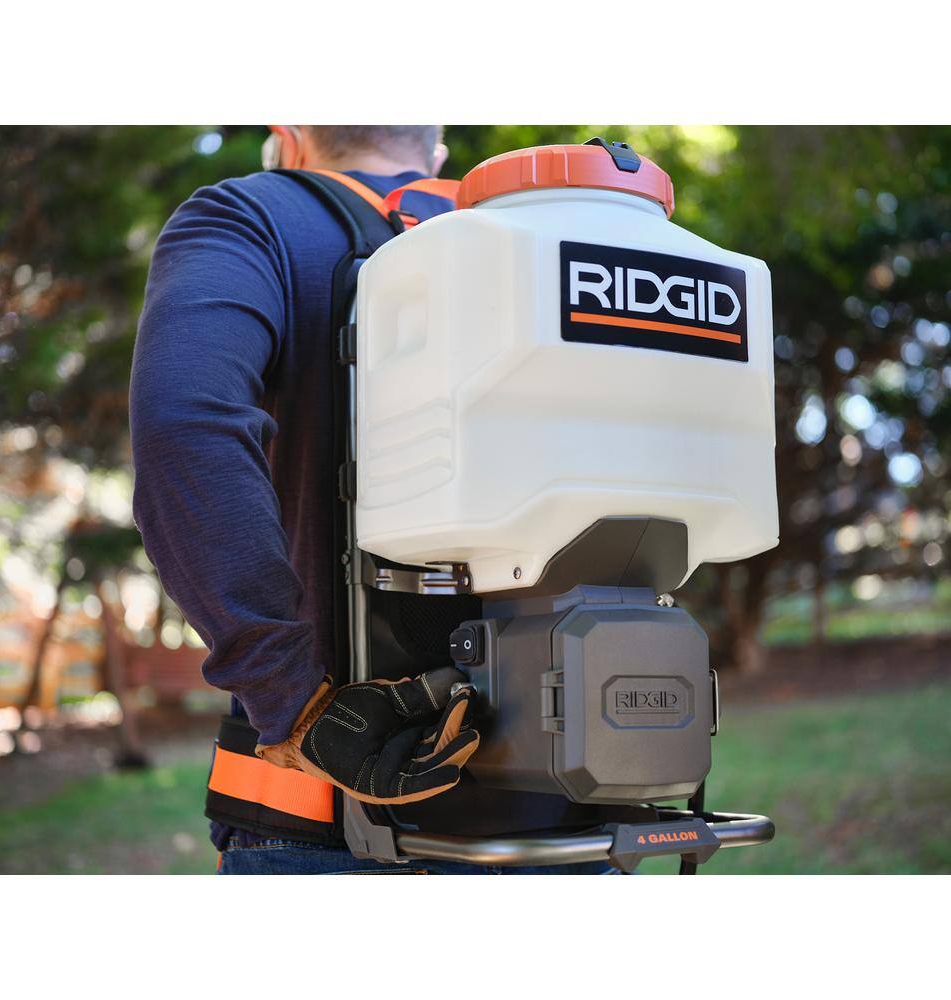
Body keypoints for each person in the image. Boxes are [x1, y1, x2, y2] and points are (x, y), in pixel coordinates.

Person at [130, 126, 610, 874]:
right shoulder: (562, 245)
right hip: (577, 806)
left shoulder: (253, 217)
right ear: (436, 154)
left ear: (288, 139)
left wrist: (296, 705)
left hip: (332, 818)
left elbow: (185, 425)